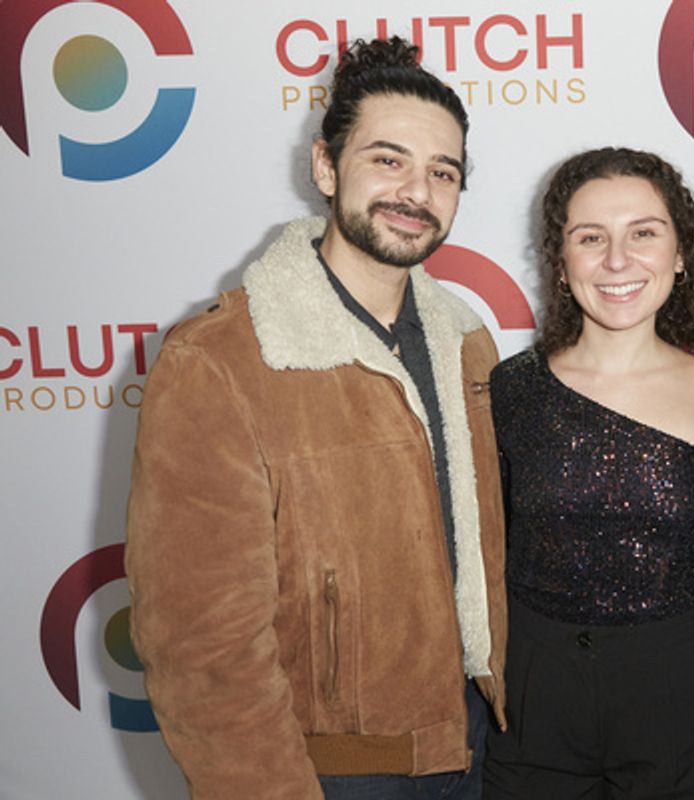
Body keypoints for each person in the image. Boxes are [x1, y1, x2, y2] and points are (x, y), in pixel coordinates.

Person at [124, 37, 507, 800]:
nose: (416, 191)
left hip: (470, 748)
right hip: (328, 772)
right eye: (388, 160)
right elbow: (203, 648)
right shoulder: (220, 360)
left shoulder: (468, 341)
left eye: (443, 171)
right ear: (326, 166)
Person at [482, 147, 694, 799]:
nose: (616, 260)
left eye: (643, 234)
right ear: (563, 258)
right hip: (531, 704)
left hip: (678, 701)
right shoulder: (508, 390)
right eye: (590, 238)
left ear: (681, 253)